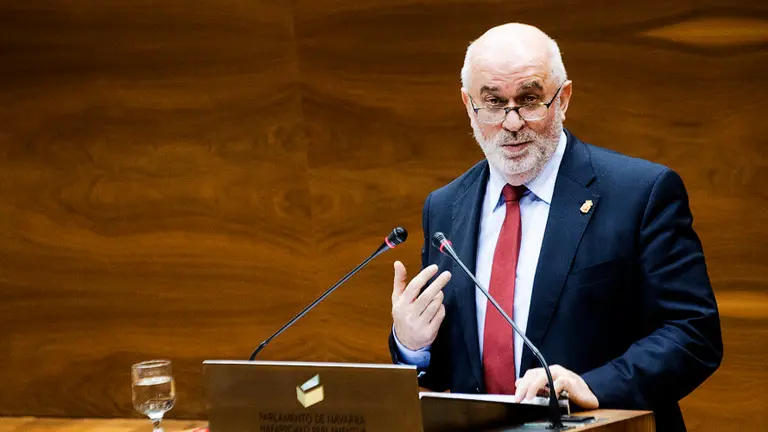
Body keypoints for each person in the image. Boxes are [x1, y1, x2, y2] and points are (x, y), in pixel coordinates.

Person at [389, 23, 722, 431]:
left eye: (529, 100)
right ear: (468, 105)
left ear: (562, 98)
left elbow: (693, 334)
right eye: (493, 103)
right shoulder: (444, 208)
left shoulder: (640, 193)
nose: (511, 123)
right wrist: (411, 346)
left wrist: (591, 385)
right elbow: (453, 370)